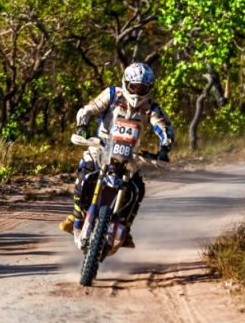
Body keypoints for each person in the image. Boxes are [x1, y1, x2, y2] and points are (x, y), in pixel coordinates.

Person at [59, 62, 174, 247]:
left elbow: (165, 128)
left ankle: (125, 226)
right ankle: (77, 215)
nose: (137, 92)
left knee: (138, 188)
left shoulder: (151, 108)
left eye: (142, 88)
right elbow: (90, 108)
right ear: (126, 83)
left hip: (130, 154)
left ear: (149, 88)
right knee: (86, 168)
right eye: (134, 86)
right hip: (102, 145)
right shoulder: (112, 94)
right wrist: (82, 127)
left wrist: (164, 148)